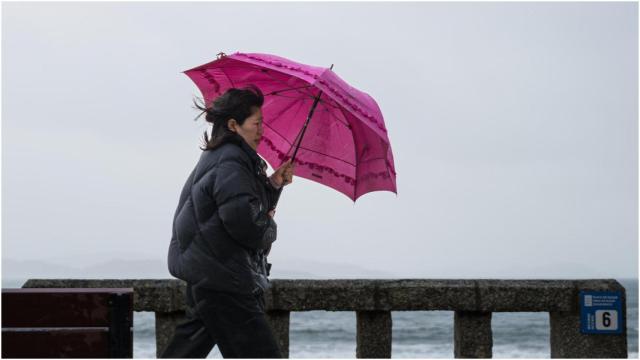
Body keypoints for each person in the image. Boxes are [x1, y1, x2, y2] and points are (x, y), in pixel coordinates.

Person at [162, 85, 294, 358]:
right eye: (256, 124)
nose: (261, 131)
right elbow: (244, 225)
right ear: (234, 124)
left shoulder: (222, 156)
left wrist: (274, 183)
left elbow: (238, 205)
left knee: (185, 352)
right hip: (225, 279)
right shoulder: (232, 162)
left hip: (210, 273)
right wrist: (269, 227)